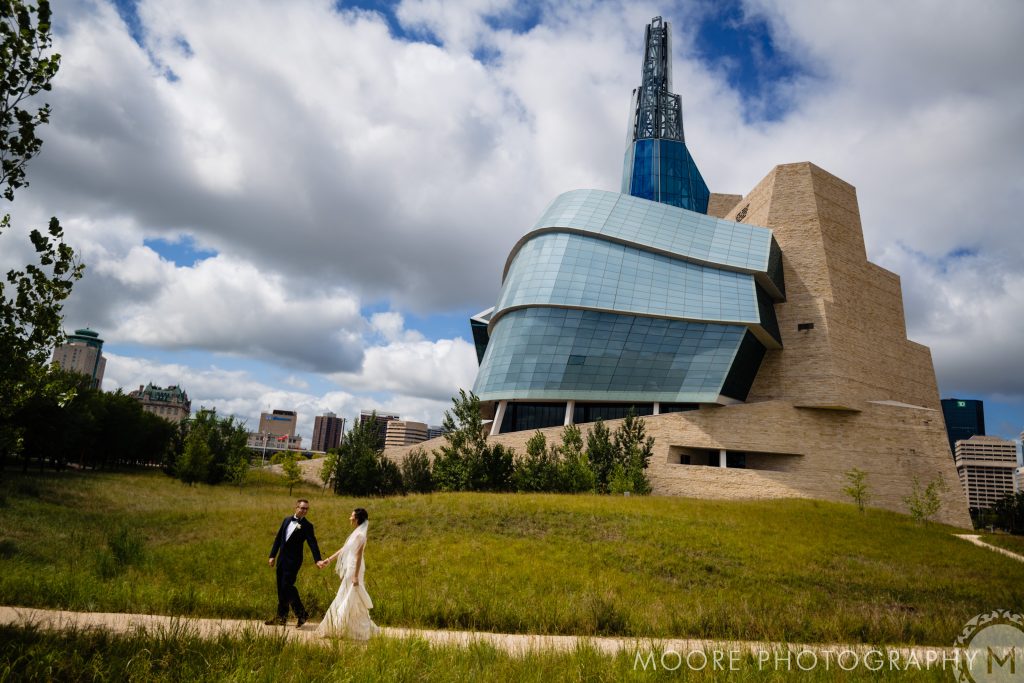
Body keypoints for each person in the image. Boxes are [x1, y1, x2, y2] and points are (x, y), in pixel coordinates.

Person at [316, 507, 380, 640]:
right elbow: (344, 549)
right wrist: (328, 560)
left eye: (352, 516)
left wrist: (356, 576)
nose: (350, 518)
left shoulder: (360, 535)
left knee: (350, 595)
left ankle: (344, 627)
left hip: (354, 569)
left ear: (357, 519)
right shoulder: (356, 533)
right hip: (351, 568)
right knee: (348, 596)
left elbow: (358, 556)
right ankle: (351, 627)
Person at [266, 498, 323, 628]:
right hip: (281, 559)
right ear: (296, 508)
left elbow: (312, 543)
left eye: (306, 509)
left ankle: (301, 613)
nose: (304, 511)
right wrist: (272, 555)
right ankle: (281, 618)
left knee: (287, 585)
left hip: (294, 561)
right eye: (302, 508)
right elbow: (278, 539)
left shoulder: (307, 526)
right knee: (281, 588)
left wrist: (317, 559)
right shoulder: (286, 520)